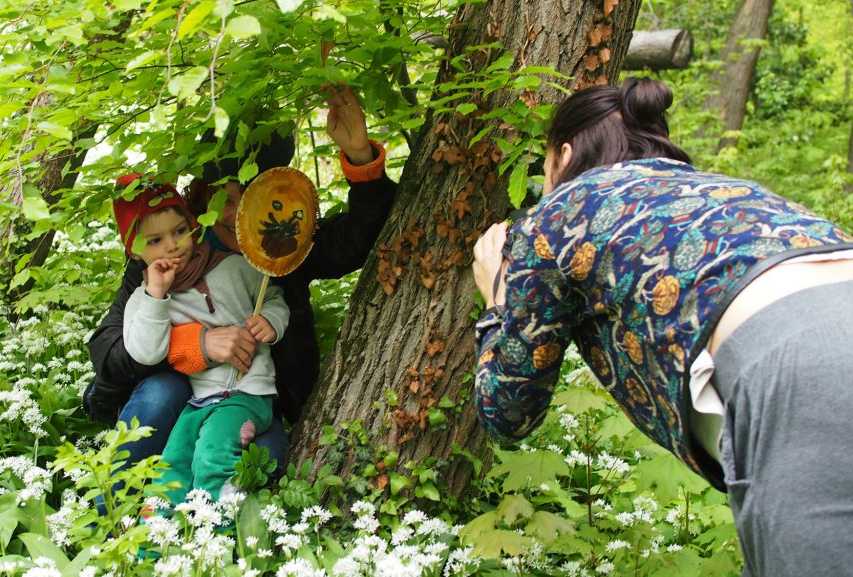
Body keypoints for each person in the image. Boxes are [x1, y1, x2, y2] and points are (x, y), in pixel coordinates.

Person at [471, 77, 853, 577]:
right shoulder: (722, 188)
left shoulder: (558, 212)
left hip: (799, 362)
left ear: (563, 155)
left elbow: (508, 413)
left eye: (544, 166)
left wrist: (499, 303)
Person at [84, 84, 397, 476]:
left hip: (247, 401)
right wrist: (194, 343)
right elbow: (108, 350)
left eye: (255, 199)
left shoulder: (281, 248)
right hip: (178, 402)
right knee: (163, 395)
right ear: (203, 198)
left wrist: (360, 157)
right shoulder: (168, 253)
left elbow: (358, 238)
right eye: (229, 201)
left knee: (263, 457)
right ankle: (120, 502)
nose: (240, 216)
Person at [113, 178, 288, 501]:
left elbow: (273, 297)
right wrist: (156, 294)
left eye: (179, 231)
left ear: (193, 225)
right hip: (199, 399)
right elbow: (146, 352)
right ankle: (158, 539)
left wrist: (270, 322)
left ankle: (218, 526)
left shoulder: (232, 268)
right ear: (134, 250)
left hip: (248, 393)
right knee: (173, 463)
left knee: (214, 454)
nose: (172, 246)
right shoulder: (145, 297)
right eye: (155, 240)